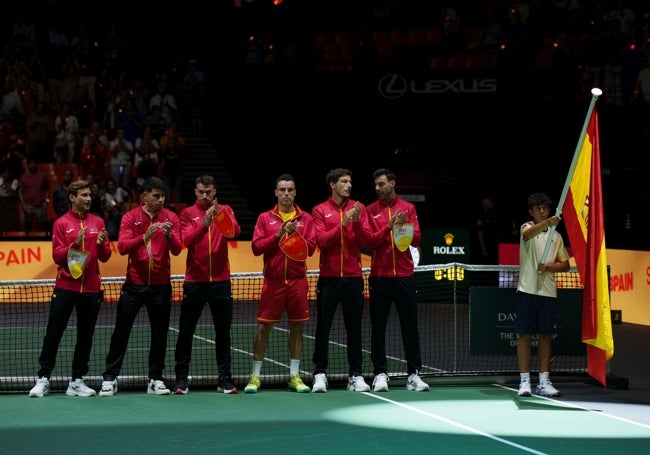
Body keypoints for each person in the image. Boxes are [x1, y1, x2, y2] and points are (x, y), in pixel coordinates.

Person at [99, 176, 182, 397]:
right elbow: (123, 247)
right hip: (134, 286)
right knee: (121, 332)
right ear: (145, 196)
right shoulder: (130, 217)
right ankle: (110, 378)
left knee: (159, 334)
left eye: (163, 196)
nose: (160, 200)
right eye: (156, 196)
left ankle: (155, 379)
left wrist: (169, 235)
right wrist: (144, 237)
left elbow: (177, 249)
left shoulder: (171, 218)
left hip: (161, 286)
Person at [28, 179, 111, 397]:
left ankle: (77, 381)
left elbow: (106, 256)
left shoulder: (98, 222)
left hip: (91, 289)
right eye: (83, 195)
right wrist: (74, 244)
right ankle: (43, 378)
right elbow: (57, 256)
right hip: (66, 286)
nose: (88, 199)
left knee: (86, 336)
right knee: (54, 333)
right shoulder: (61, 223)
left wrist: (102, 243)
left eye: (89, 195)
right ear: (72, 198)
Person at [244, 174, 317, 394]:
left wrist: (297, 237)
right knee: (264, 327)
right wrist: (278, 235)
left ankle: (294, 376)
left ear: (295, 192)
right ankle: (255, 376)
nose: (286, 193)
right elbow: (256, 248)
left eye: (290, 190)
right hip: (273, 282)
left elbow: (311, 249)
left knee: (297, 327)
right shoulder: (265, 219)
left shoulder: (306, 219)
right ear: (276, 192)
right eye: (282, 190)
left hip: (297, 281)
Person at [173, 175, 241, 395]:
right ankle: (181, 380)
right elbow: (187, 241)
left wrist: (220, 216)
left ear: (215, 192)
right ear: (195, 192)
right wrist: (205, 224)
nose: (204, 196)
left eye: (208, 192)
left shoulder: (226, 209)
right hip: (195, 283)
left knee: (223, 333)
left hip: (221, 282)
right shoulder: (186, 214)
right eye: (201, 192)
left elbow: (235, 232)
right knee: (186, 332)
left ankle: (225, 379)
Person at [363, 168, 429, 392]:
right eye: (376, 185)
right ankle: (380, 374)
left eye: (382, 184)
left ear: (392, 183)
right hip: (380, 277)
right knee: (378, 328)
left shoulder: (408, 208)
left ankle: (414, 375)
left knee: (410, 327)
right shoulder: (370, 211)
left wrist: (402, 225)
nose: (378, 189)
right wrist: (388, 226)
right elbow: (370, 242)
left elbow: (417, 239)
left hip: (404, 276)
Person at [310, 168, 371, 393]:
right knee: (323, 327)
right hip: (329, 278)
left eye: (350, 182)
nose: (349, 185)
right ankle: (319, 374)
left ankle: (356, 375)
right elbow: (322, 242)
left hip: (354, 278)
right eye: (344, 182)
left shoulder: (359, 209)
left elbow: (365, 241)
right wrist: (343, 223)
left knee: (354, 328)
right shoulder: (319, 210)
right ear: (333, 185)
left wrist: (354, 223)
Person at [515, 192, 570, 397]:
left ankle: (544, 381)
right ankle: (524, 382)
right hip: (527, 289)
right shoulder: (527, 228)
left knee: (546, 336)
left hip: (548, 292)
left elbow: (565, 265)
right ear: (531, 212)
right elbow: (526, 236)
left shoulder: (556, 237)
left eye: (545, 208)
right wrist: (548, 222)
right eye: (538, 208)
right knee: (525, 335)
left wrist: (548, 267)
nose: (542, 210)